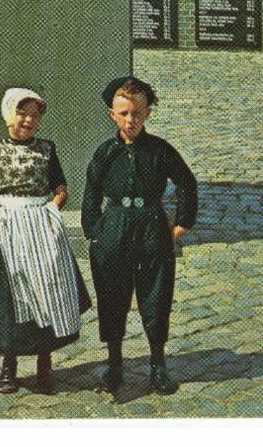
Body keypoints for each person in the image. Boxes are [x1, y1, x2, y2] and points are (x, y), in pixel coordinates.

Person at [82, 76, 197, 395]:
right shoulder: (105, 153)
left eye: (136, 113)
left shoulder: (160, 151)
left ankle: (158, 366)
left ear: (147, 113)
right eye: (123, 114)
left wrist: (181, 223)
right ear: (112, 114)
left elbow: (187, 182)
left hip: (151, 228)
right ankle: (114, 364)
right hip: (115, 228)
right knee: (112, 297)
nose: (130, 120)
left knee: (156, 298)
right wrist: (95, 231)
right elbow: (91, 192)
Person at [0, 87, 90, 394]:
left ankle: (44, 365)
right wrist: (0, 214)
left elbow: (60, 187)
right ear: (9, 115)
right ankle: (9, 366)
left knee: (47, 290)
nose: (28, 120)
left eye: (34, 115)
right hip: (8, 229)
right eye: (22, 113)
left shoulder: (47, 150)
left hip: (41, 226)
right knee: (13, 296)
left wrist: (52, 207)